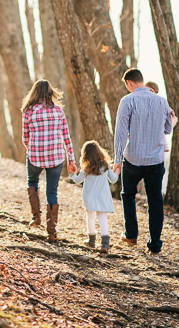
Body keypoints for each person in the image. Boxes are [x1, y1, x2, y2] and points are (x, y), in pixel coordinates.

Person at [113, 68, 173, 254]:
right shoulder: (162, 101)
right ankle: (155, 244)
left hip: (133, 159)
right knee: (155, 200)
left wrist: (117, 159)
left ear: (129, 83)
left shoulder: (127, 101)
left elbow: (121, 133)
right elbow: (168, 129)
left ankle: (131, 235)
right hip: (155, 160)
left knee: (128, 195)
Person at [21, 79, 77, 242]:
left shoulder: (28, 111)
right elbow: (66, 137)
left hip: (35, 156)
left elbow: (25, 137)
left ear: (34, 92)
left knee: (32, 181)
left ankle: (36, 217)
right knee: (52, 191)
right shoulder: (58, 111)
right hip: (56, 156)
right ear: (50, 92)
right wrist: (71, 160)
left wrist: (33, 149)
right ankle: (51, 232)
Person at [70, 140, 119, 253]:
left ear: (85, 154)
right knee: (102, 218)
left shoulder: (86, 168)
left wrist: (72, 175)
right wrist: (117, 172)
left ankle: (91, 241)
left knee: (90, 218)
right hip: (103, 197)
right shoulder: (106, 166)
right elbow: (113, 179)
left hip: (90, 197)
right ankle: (105, 244)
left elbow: (78, 180)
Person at [145, 81, 178, 152]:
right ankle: (164, 144)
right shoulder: (158, 100)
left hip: (157, 121)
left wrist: (170, 111)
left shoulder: (157, 100)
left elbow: (167, 109)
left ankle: (165, 144)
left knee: (160, 127)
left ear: (152, 90)